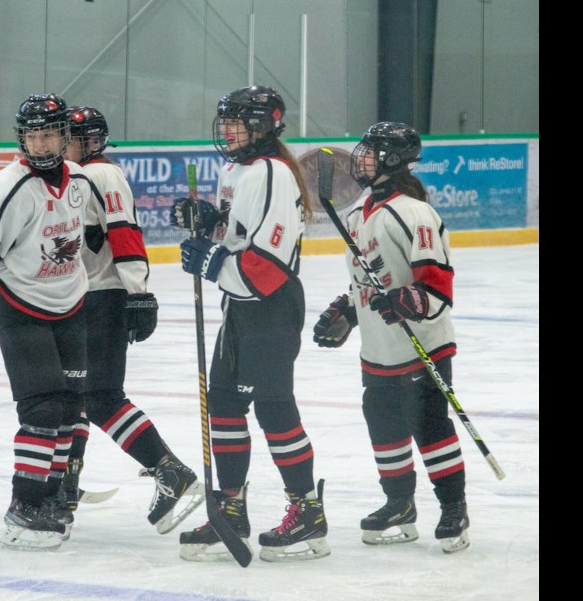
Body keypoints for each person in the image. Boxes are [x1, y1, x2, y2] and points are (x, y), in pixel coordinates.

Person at [173, 86, 329, 563]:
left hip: (271, 305)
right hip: (240, 305)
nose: (230, 130)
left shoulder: (275, 174)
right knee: (223, 401)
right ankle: (231, 509)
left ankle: (308, 513)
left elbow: (268, 265)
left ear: (267, 125)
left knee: (274, 408)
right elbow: (236, 234)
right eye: (227, 122)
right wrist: (208, 224)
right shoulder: (236, 169)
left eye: (241, 122)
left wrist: (212, 261)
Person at [0, 93, 96, 551]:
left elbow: (89, 231)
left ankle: (54, 495)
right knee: (43, 407)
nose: (41, 143)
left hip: (71, 302)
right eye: (32, 134)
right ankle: (25, 503)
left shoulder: (81, 180)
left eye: (49, 134)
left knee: (70, 407)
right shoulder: (10, 184)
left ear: (64, 136)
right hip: (22, 306)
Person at [312, 121, 470, 554]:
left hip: (423, 346)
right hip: (378, 349)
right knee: (382, 422)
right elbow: (365, 280)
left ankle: (453, 507)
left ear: (394, 160)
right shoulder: (356, 213)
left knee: (430, 425)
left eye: (372, 151)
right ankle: (399, 504)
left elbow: (437, 288)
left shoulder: (414, 212)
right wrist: (346, 312)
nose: (361, 157)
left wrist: (410, 301)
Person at [59, 105, 203, 534]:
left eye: (65, 137)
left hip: (103, 297)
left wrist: (138, 293)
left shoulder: (103, 175)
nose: (57, 144)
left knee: (101, 396)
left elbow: (124, 231)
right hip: (79, 299)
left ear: (86, 142)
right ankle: (66, 482)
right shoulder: (73, 176)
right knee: (75, 394)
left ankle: (169, 469)